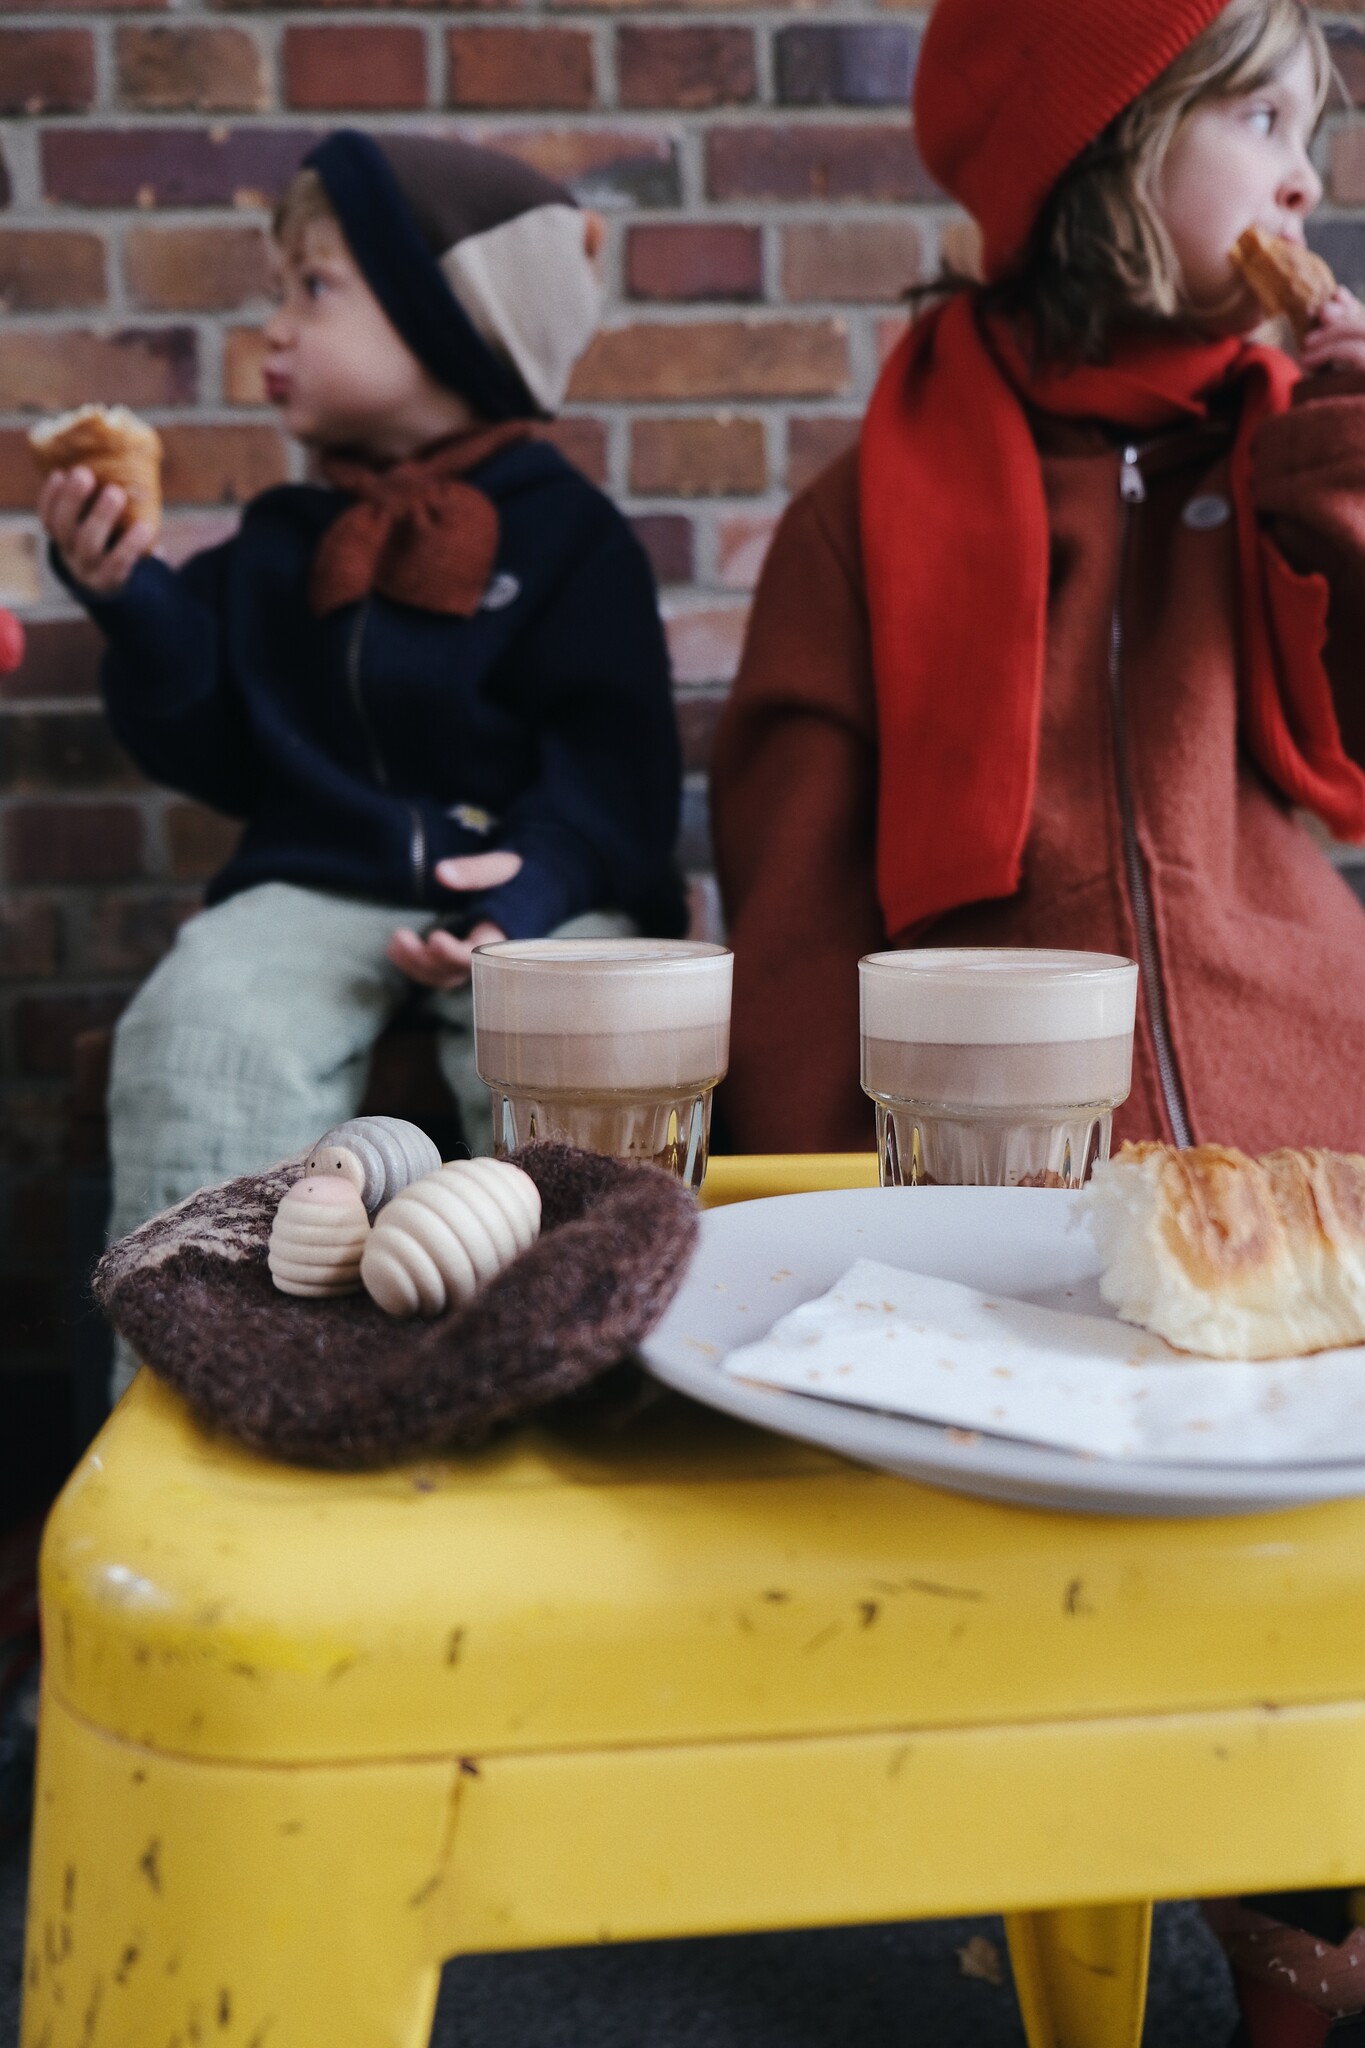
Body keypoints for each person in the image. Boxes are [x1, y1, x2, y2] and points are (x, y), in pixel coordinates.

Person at [38, 129, 684, 1390]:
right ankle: (190, 1396)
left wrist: (533, 890)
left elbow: (618, 769)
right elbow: (212, 736)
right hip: (316, 887)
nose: (271, 328)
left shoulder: (572, 541)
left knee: (598, 1041)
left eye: (312, 290)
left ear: (449, 325)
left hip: (526, 887)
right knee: (202, 1025)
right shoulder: (285, 540)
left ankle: (598, 1370)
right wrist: (133, 598)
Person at [711, 0, 1365, 1166]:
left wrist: (1349, 467)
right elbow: (793, 920)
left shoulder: (1290, 458)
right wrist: (853, 1194)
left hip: (1311, 1137)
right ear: (1106, 142)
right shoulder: (858, 520)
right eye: (1261, 117)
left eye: (1308, 132)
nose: (1305, 181)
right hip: (1000, 1163)